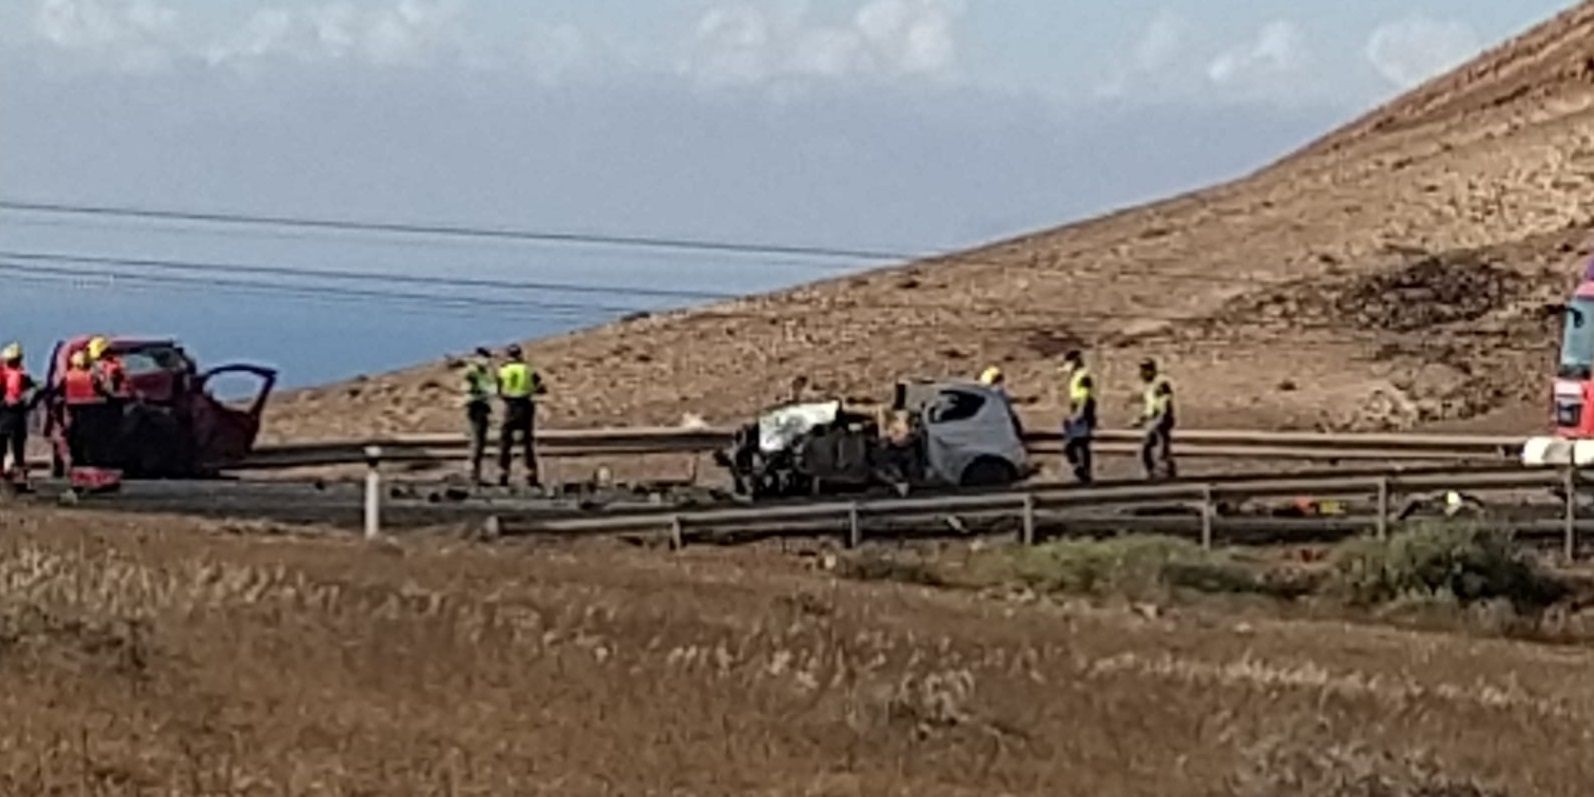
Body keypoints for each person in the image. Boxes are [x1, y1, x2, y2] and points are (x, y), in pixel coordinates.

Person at [496, 344, 545, 487]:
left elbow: (499, 389)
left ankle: (502, 473)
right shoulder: (527, 369)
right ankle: (530, 474)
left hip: (510, 406)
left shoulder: (503, 370)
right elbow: (539, 386)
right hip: (525, 406)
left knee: (505, 442)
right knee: (527, 443)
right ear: (520, 355)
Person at [1135, 358, 1176, 480]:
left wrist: (1160, 420)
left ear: (1151, 370)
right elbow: (1151, 405)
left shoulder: (1161, 384)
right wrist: (1142, 418)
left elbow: (1165, 404)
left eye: (1144, 370)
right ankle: (1152, 473)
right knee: (1147, 449)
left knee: (1160, 450)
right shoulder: (1149, 385)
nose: (1141, 374)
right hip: (1153, 420)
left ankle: (1167, 474)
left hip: (1161, 420)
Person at [0, 343, 35, 483]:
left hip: (2, 414)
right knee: (18, 448)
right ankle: (19, 476)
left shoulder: (3, 375)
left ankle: (3, 474)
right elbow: (34, 393)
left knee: (1, 447)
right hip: (16, 415)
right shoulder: (23, 377)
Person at [1059, 350, 1096, 484]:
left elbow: (1085, 397)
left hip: (1083, 411)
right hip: (1077, 409)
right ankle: (1083, 472)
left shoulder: (1083, 376)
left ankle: (1084, 471)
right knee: (1078, 444)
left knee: (1075, 443)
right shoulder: (1076, 376)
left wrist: (1078, 414)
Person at [461, 347, 495, 484]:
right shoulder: (472, 371)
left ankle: (476, 474)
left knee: (480, 442)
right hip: (475, 407)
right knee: (476, 441)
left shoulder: (482, 372)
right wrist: (485, 391)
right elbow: (468, 388)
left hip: (482, 407)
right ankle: (472, 474)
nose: (487, 361)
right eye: (485, 357)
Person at [61, 350, 101, 466]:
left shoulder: (67, 376)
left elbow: (60, 391)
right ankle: (87, 460)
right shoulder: (91, 376)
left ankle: (76, 459)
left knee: (73, 435)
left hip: (72, 408)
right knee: (88, 436)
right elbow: (99, 390)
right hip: (89, 409)